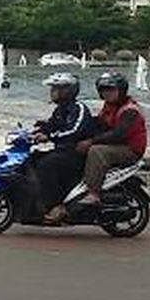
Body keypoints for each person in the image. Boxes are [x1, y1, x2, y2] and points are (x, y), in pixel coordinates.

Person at [75, 73, 147, 206]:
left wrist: (91, 141)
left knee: (96, 152)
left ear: (121, 90)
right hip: (119, 145)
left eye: (110, 90)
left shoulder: (129, 110)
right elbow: (100, 123)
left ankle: (93, 193)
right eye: (103, 90)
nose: (106, 93)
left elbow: (117, 134)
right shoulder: (110, 105)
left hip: (130, 150)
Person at [33, 73, 93, 224]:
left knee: (46, 165)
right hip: (64, 151)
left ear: (68, 91)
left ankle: (56, 206)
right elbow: (53, 125)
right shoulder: (61, 109)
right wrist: (39, 130)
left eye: (56, 89)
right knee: (33, 159)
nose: (52, 92)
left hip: (75, 153)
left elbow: (74, 131)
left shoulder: (78, 108)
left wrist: (50, 136)